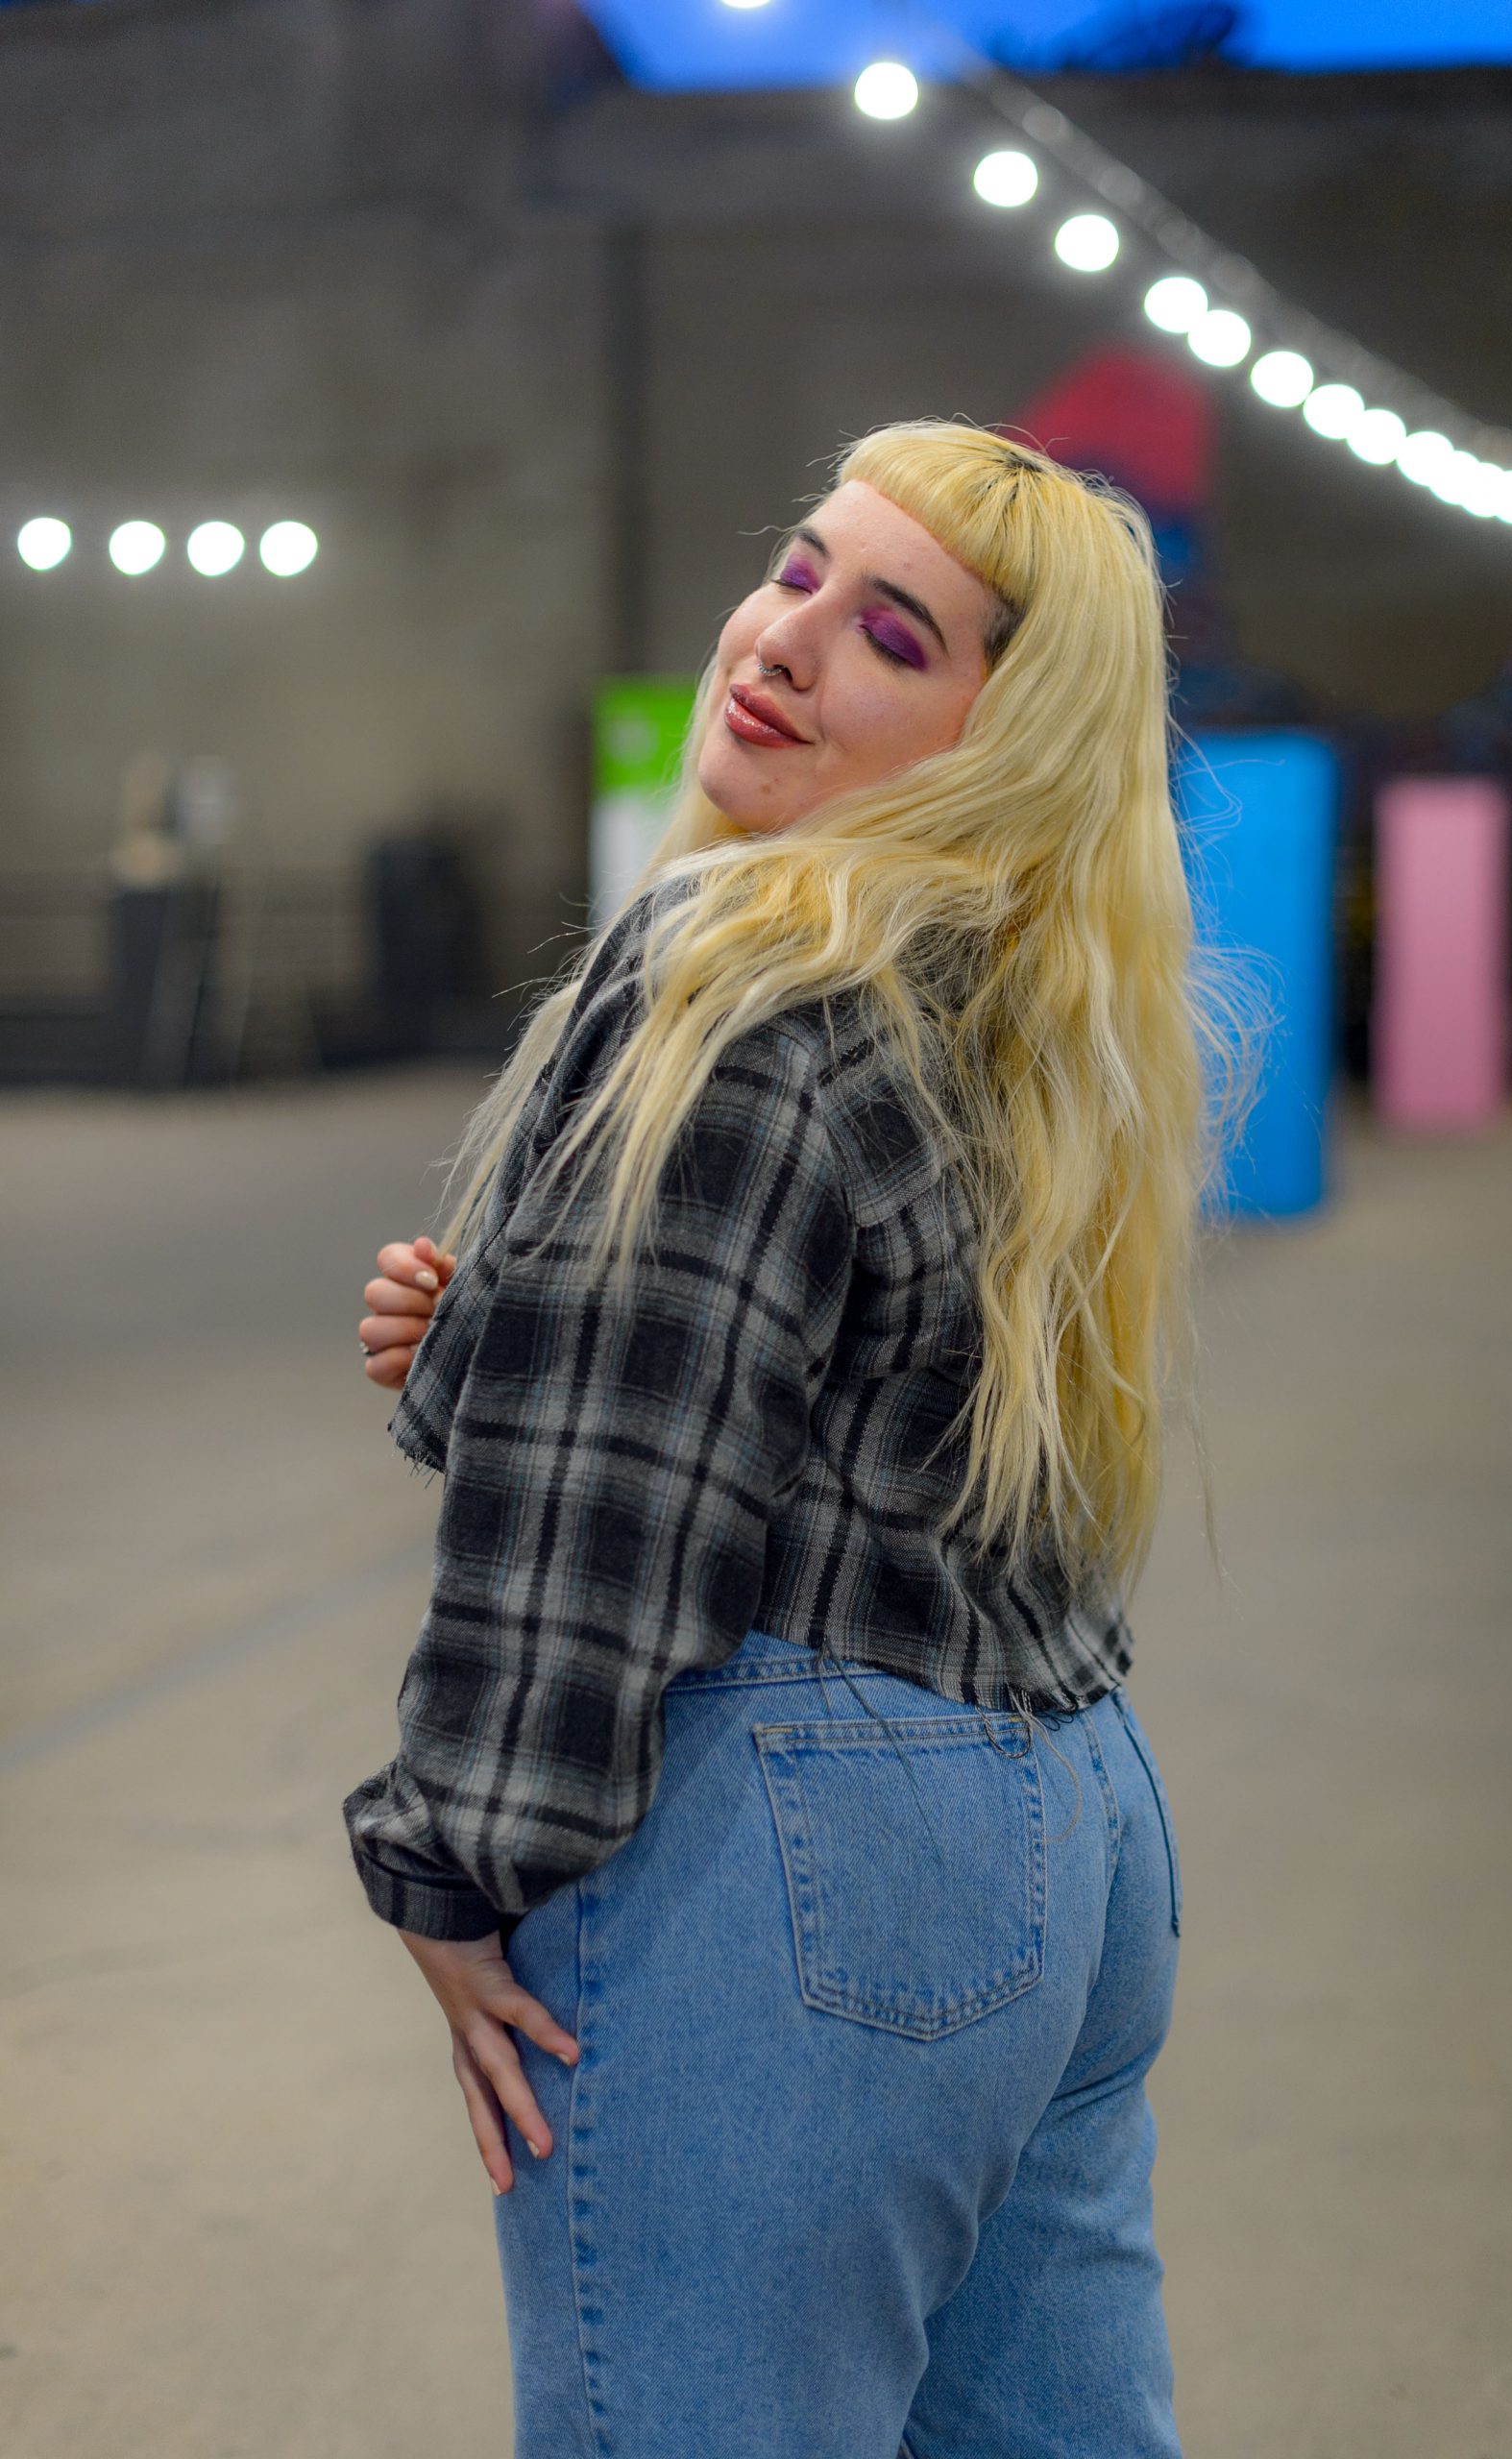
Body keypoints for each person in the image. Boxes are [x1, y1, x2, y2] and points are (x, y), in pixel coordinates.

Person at [345, 419, 1237, 2458]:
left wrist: (449, 1864)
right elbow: (830, 1401)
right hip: (1067, 1829)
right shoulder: (1017, 1006)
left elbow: (609, 1523)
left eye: (893, 635)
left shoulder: (748, 968)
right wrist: (498, 1338)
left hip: (806, 1873)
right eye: (804, 569)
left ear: (1003, 740)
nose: (784, 638)